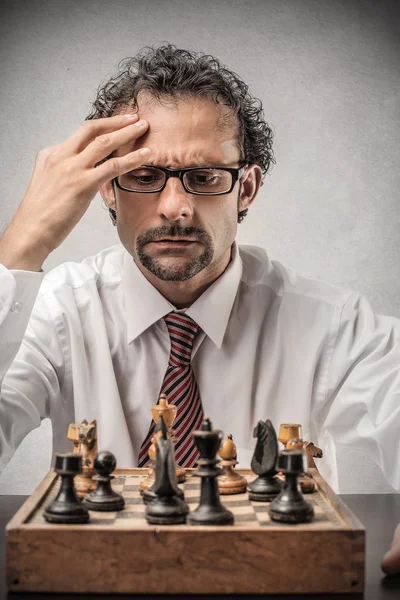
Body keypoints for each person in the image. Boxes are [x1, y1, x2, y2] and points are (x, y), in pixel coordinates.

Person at [0, 44, 399, 573]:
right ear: (105, 190)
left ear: (246, 189)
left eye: (206, 176)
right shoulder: (50, 311)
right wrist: (18, 250)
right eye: (143, 176)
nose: (174, 207)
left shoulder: (329, 323)